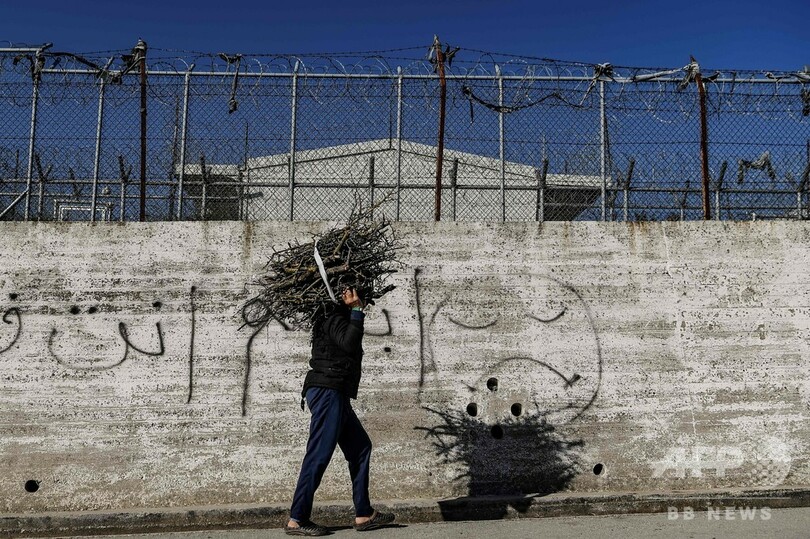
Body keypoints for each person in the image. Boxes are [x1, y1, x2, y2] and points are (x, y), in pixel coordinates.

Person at [285, 287, 395, 536]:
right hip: (327, 392)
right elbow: (348, 344)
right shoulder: (332, 315)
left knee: (360, 446)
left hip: (336, 393)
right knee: (318, 454)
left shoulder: (334, 315)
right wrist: (356, 311)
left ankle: (364, 514)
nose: (360, 300)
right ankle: (297, 519)